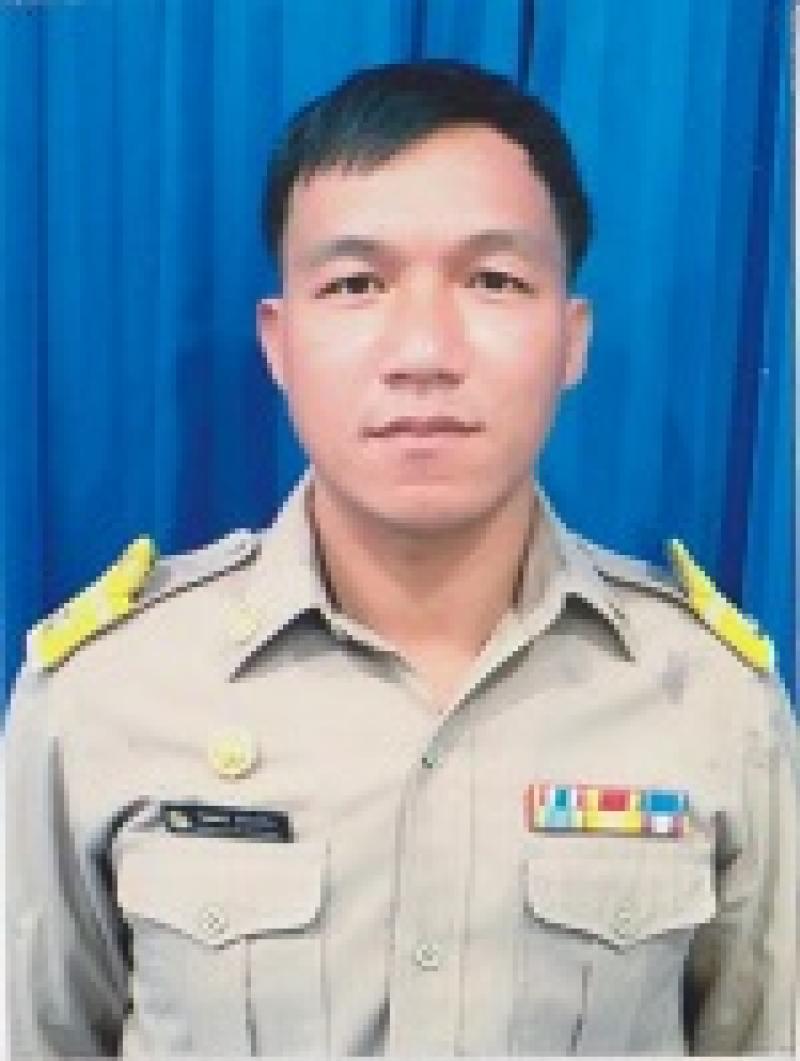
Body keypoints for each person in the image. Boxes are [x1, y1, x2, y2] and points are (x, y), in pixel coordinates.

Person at [5, 60, 797, 1057]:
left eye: (493, 280)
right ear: (279, 342)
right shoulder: (103, 698)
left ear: (571, 338)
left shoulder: (713, 704)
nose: (423, 350)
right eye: (355, 284)